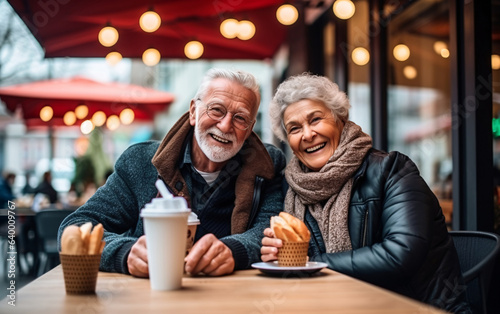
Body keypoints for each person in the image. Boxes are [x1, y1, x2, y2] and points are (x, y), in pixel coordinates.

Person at [261, 73, 470, 312]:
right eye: (294, 128)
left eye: (316, 119)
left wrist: (308, 263)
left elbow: (400, 254)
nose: (307, 134)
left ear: (340, 117)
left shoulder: (392, 170)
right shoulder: (291, 188)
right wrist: (278, 252)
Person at [58, 68, 285, 277]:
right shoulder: (140, 162)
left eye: (240, 118)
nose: (225, 126)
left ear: (250, 128)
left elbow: (269, 231)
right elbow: (74, 227)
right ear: (194, 112)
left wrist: (234, 250)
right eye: (216, 110)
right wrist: (124, 253)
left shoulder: (267, 165)